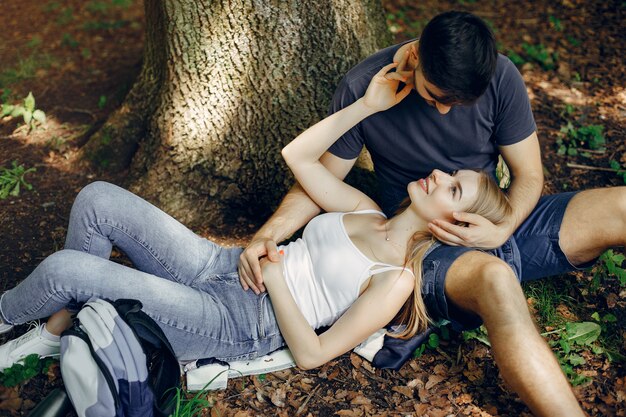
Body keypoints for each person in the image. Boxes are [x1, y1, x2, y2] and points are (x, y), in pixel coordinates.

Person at [0, 64, 509, 376]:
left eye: (454, 187)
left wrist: (278, 278)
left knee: (68, 269)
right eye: (450, 173)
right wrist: (365, 107)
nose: (439, 174)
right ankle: (55, 332)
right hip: (224, 264)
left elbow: (312, 354)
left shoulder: (395, 279)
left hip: (241, 322)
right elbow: (299, 157)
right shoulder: (365, 209)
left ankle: (10, 316)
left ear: (454, 225)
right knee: (96, 199)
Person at [238, 10, 625, 417]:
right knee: (497, 280)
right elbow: (316, 183)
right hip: (428, 241)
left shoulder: (500, 75)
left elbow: (529, 175)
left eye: (457, 104)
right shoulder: (365, 86)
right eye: (436, 98)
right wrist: (271, 232)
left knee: (620, 205)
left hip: (498, 214)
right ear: (418, 55)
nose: (443, 111)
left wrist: (503, 227)